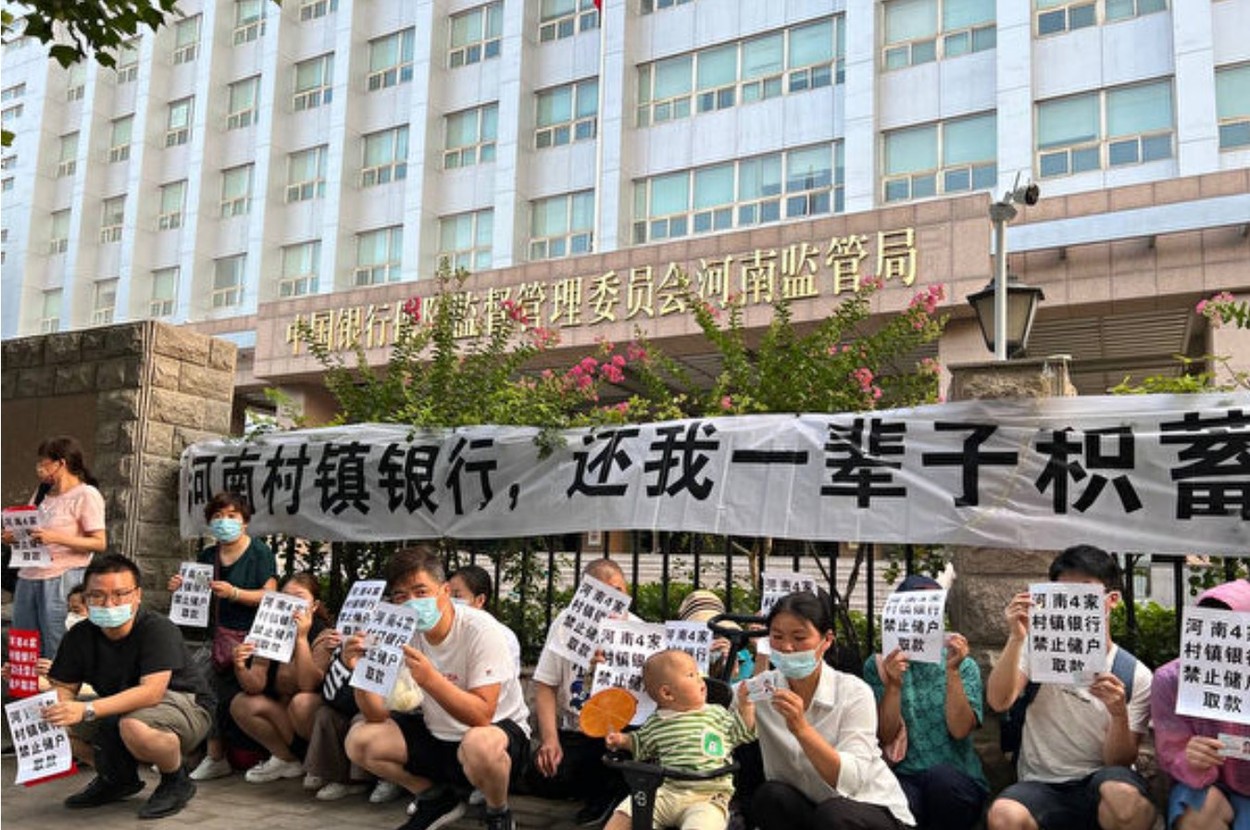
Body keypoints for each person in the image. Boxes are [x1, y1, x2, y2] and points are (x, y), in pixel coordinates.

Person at [345, 547, 531, 830]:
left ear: (445, 591)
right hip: (437, 735)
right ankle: (434, 799)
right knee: (360, 740)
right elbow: (375, 714)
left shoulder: (481, 629)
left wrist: (430, 679)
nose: (412, 603)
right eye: (401, 596)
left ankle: (498, 811)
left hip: (495, 736)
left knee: (479, 744)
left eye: (421, 592)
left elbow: (482, 714)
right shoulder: (397, 630)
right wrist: (361, 672)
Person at [985, 544, 1155, 830]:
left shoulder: (1134, 674)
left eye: (1084, 592)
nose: (1072, 602)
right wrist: (1016, 637)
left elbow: (1119, 761)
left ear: (1111, 600)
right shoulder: (1034, 650)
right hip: (1041, 784)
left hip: (1102, 781)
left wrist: (1118, 713)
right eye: (1063, 593)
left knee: (1123, 801)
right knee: (1004, 816)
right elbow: (999, 701)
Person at [43, 553, 213, 819]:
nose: (109, 603)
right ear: (85, 598)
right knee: (51, 725)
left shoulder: (157, 629)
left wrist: (86, 710)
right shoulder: (79, 635)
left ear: (137, 595)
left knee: (133, 725)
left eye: (120, 594)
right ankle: (115, 779)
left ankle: (175, 780)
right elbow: (64, 685)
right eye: (97, 595)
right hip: (119, 708)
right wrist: (60, 708)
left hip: (182, 705)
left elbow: (151, 692)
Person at [749, 590, 915, 830]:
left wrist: (802, 729)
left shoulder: (853, 692)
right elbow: (721, 713)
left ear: (826, 640)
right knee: (771, 797)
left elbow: (851, 780)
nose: (786, 647)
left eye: (799, 637)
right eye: (777, 636)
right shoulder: (763, 688)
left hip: (868, 807)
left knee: (834, 814)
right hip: (813, 806)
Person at [168, 491, 278, 781]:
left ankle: (216, 756)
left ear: (245, 521)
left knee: (208, 687)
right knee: (190, 684)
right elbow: (196, 596)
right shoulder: (208, 555)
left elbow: (270, 595)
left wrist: (235, 593)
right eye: (217, 516)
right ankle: (194, 751)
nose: (224, 521)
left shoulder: (259, 552)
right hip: (215, 638)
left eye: (231, 516)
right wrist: (180, 587)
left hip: (250, 639)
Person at [863, 574, 989, 830]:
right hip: (903, 776)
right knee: (901, 802)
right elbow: (884, 735)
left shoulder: (963, 664)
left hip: (956, 779)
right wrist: (894, 685)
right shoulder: (880, 665)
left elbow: (960, 730)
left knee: (941, 780)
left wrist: (952, 671)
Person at [528, 557, 635, 826]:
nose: (611, 600)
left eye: (618, 591)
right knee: (547, 774)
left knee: (615, 761)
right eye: (601, 593)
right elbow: (545, 684)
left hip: (618, 731)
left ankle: (610, 799)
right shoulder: (566, 624)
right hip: (577, 729)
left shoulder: (636, 630)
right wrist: (549, 739)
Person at [603, 649, 756, 830]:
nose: (701, 679)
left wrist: (746, 706)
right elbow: (640, 743)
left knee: (703, 824)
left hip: (707, 795)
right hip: (665, 791)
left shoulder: (716, 713)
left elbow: (743, 731)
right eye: (691, 675)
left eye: (698, 673)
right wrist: (621, 740)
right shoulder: (656, 722)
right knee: (626, 812)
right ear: (667, 693)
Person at [1150, 578, 1250, 830]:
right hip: (1201, 786)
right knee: (1198, 813)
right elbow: (1170, 749)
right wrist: (1188, 757)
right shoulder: (1171, 679)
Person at [7, 436, 107, 659]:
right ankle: (27, 682)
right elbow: (30, 529)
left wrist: (56, 538)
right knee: (24, 642)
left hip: (62, 576)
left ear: (61, 463)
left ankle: (57, 681)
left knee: (57, 640)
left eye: (44, 463)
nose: (39, 469)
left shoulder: (86, 494)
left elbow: (99, 542)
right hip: (28, 574)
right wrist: (13, 537)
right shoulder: (42, 492)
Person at [230, 572, 330, 784]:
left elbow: (309, 685)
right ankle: (286, 759)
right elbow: (255, 685)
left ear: (314, 605)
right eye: (285, 597)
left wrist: (301, 639)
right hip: (281, 714)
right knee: (242, 703)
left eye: (299, 598)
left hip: (310, 716)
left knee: (301, 702)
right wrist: (240, 667)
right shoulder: (270, 628)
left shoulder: (323, 635)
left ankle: (319, 763)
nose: (291, 604)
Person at [449, 564, 522, 672]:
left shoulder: (502, 636)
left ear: (480, 600)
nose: (450, 601)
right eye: (447, 595)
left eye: (457, 596)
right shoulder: (444, 631)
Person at [677, 588, 755, 681]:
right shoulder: (676, 659)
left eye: (718, 632)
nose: (715, 638)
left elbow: (756, 686)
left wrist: (731, 670)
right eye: (704, 634)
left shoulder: (741, 657)